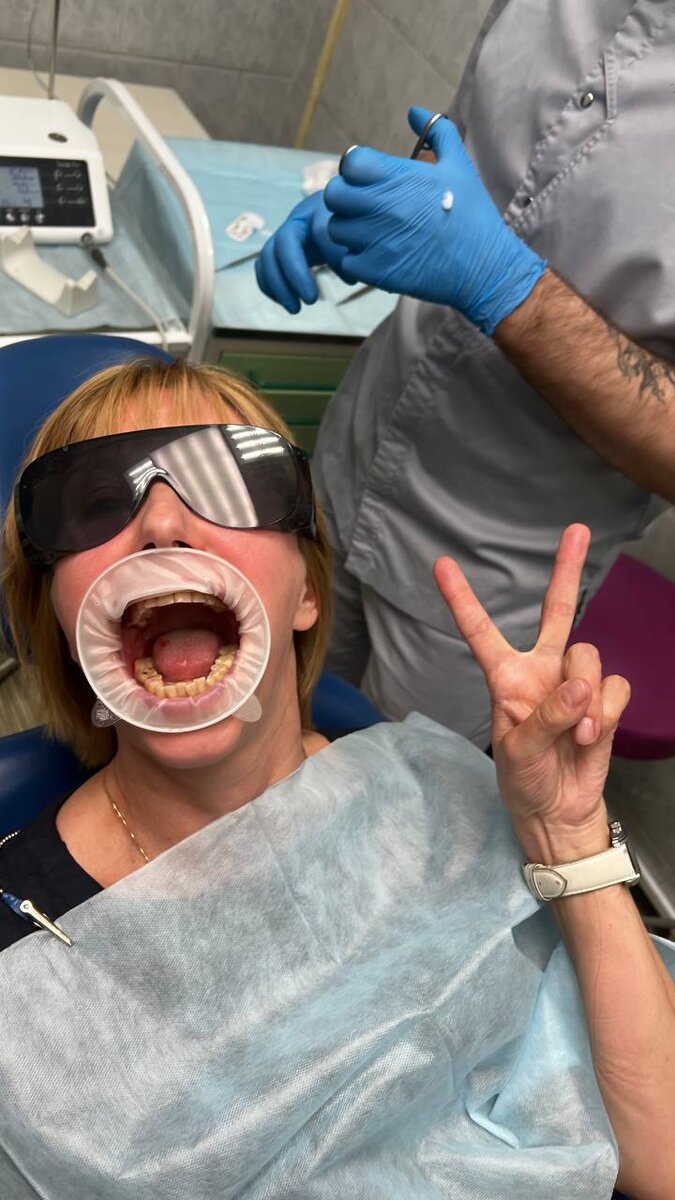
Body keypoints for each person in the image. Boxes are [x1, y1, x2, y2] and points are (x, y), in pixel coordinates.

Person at [0, 358, 672, 1199]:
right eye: (96, 503)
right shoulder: (19, 950)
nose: (164, 524)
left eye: (230, 484)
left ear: (306, 593)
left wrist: (567, 839)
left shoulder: (444, 796)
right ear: (62, 623)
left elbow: (661, 1158)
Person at [256, 0, 675, 748]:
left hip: (486, 579)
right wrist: (375, 210)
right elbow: (473, 150)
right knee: (271, 729)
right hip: (353, 453)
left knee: (392, 801)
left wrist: (506, 288)